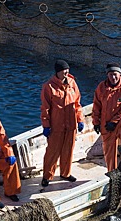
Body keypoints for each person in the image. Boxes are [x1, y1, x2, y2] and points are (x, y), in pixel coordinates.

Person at [40, 59, 84, 187]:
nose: (66, 72)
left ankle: (66, 173)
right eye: (63, 70)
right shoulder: (48, 87)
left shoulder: (72, 83)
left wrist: (80, 119)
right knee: (52, 151)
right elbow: (45, 108)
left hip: (71, 124)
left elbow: (77, 103)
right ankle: (47, 176)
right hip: (56, 125)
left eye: (67, 70)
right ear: (58, 72)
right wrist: (46, 125)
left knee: (68, 150)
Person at [91, 62, 121, 172]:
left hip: (119, 122)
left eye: (115, 74)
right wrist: (96, 122)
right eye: (110, 74)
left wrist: (114, 122)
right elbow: (96, 106)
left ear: (120, 74)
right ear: (107, 75)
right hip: (106, 125)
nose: (113, 77)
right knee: (108, 151)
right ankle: (112, 172)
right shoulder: (101, 88)